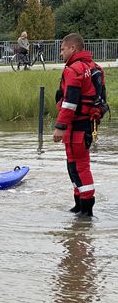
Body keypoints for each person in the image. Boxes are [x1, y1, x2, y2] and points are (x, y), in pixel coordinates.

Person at [53, 32, 103, 217]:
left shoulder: (73, 69)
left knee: (79, 166)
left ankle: (86, 210)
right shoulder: (95, 67)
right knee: (73, 166)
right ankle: (79, 205)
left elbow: (70, 102)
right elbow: (100, 98)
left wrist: (60, 127)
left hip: (76, 127)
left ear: (73, 48)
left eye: (63, 49)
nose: (61, 54)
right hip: (86, 125)